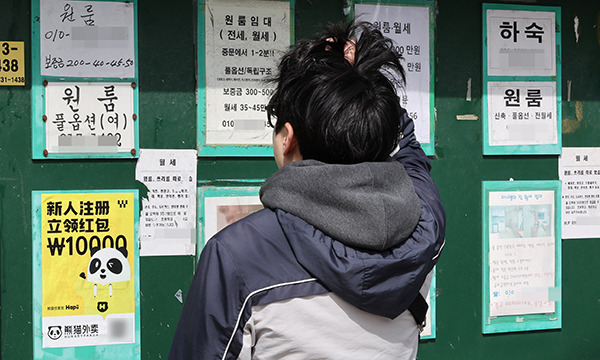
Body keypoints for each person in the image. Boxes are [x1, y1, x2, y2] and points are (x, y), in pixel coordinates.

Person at [169, 21, 445, 360]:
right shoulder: (425, 224)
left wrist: (347, 86)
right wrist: (361, 86)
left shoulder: (237, 254)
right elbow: (410, 152)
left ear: (288, 138)